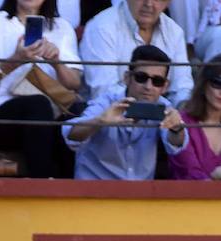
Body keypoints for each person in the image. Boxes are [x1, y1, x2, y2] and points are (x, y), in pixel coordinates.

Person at [0, 0, 82, 178]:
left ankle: (70, 191)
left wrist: (56, 62)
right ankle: (41, 184)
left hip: (52, 110)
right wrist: (17, 59)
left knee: (77, 114)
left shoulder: (62, 27)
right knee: (37, 105)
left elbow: (74, 83)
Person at [64, 44, 186, 180]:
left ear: (165, 86)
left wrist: (176, 128)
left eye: (157, 81)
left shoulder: (164, 107)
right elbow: (70, 135)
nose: (148, 87)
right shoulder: (107, 101)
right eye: (141, 77)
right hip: (95, 191)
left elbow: (176, 145)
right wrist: (99, 121)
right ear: (127, 78)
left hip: (139, 196)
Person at [80, 0, 190, 107]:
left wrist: (183, 112)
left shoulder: (175, 31)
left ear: (168, 3)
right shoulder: (101, 28)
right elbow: (104, 92)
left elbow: (182, 88)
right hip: (111, 116)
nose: (149, 4)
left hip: (161, 118)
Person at [168, 59, 221, 180]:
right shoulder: (182, 121)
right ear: (203, 85)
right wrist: (214, 178)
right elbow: (189, 172)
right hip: (185, 197)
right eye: (217, 83)